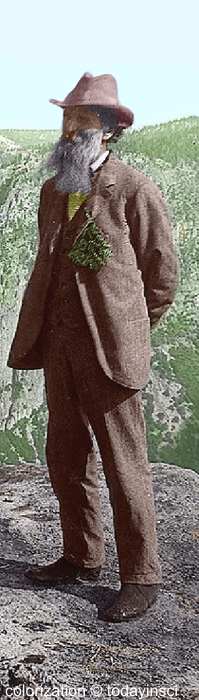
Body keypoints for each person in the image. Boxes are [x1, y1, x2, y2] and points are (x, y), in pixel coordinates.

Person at [7, 73, 179, 622]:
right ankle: (81, 557)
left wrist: (129, 329)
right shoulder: (54, 188)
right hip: (60, 346)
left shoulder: (133, 189)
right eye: (65, 118)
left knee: (125, 463)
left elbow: (162, 276)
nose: (68, 129)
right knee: (64, 455)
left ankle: (141, 577)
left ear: (106, 130)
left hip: (110, 352)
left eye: (80, 120)